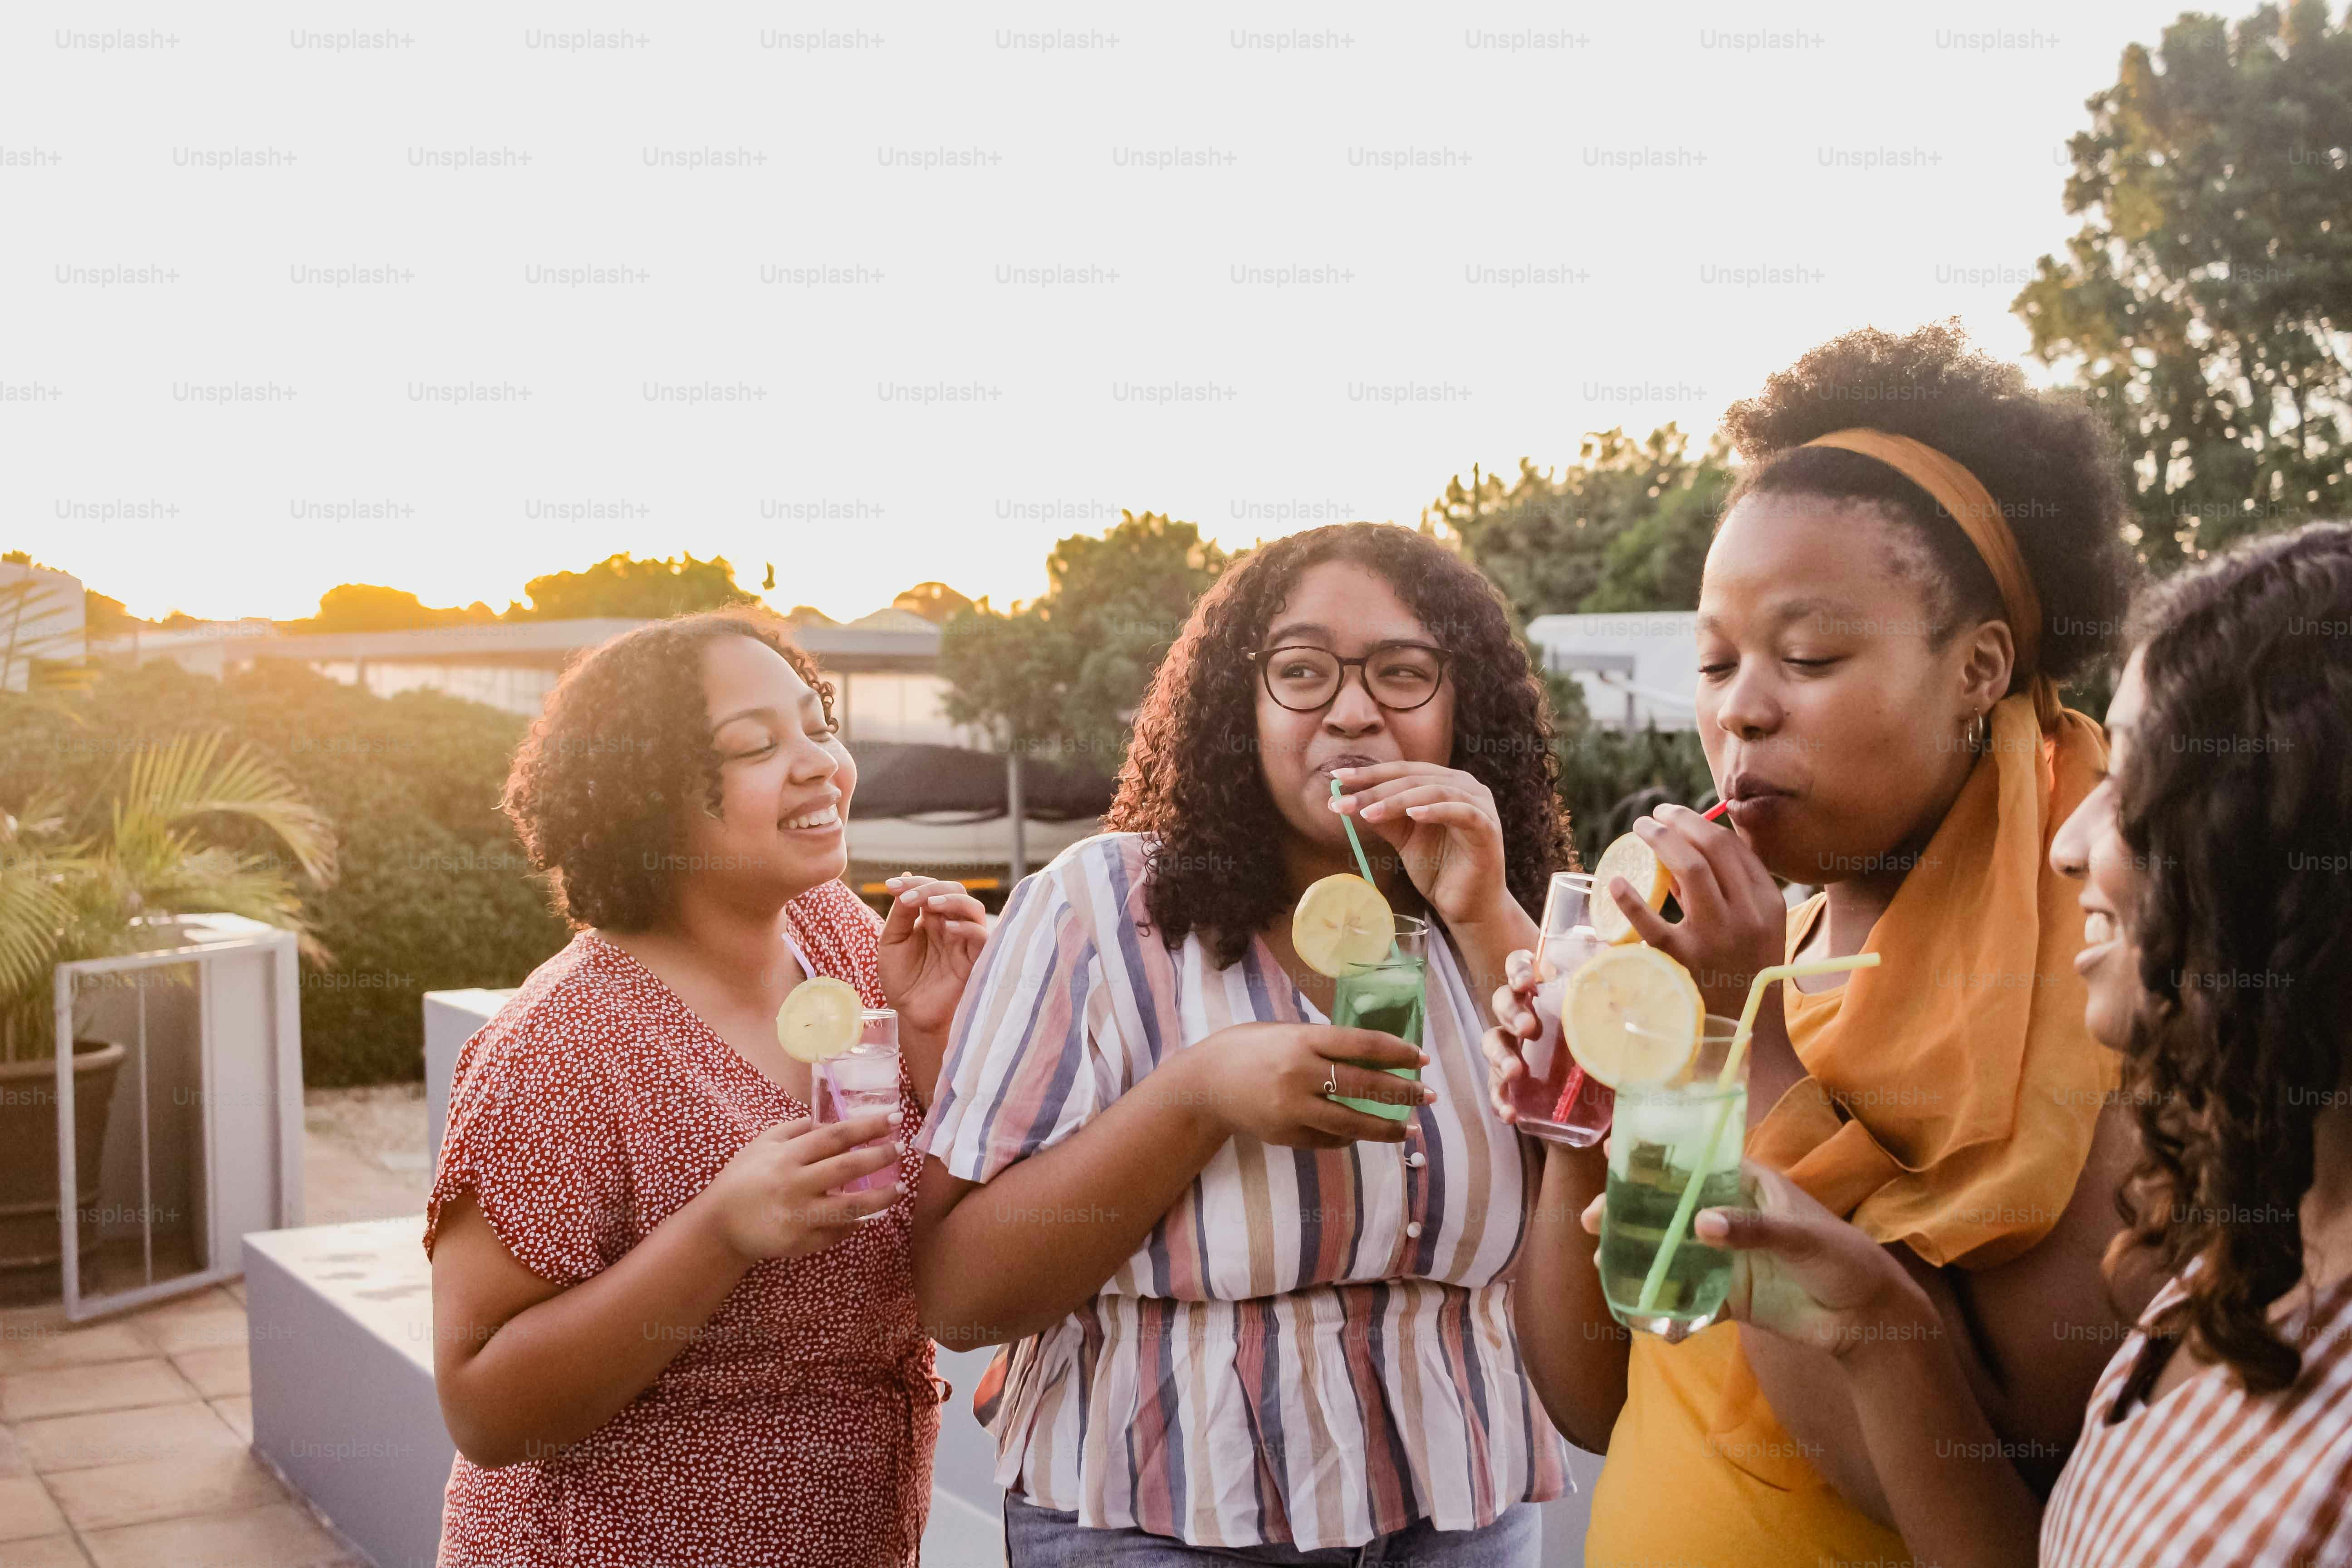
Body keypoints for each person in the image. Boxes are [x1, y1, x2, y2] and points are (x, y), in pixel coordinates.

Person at [1485, 322, 2149, 1565]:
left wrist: (1742, 1044)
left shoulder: (2091, 998)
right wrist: (1580, 1106)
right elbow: (1594, 1396)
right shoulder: (1733, 952)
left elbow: (1931, 1486)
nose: (1742, 706)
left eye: (1810, 656)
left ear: (1977, 669)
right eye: (1718, 662)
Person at [1653, 522, 2352, 1567]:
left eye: (2141, 782)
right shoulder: (2247, 1258)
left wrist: (1730, 1043)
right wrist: (1878, 1328)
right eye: (1713, 662)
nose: (2073, 842)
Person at [911, 522, 1574, 1564]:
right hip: (1157, 1516)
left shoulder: (1500, 915)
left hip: (1464, 1514)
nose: (1353, 710)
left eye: (1404, 674)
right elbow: (959, 1295)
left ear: (1463, 706)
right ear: (1242, 706)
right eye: (1303, 671)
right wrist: (1197, 1095)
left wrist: (1488, 914)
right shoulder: (1098, 905)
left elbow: (1602, 1167)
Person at [425, 609, 990, 1568]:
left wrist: (934, 1037)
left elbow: (929, 1236)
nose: (818, 761)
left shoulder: (841, 938)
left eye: (820, 725)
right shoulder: (560, 1047)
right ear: (646, 797)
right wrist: (718, 1232)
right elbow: (481, 1406)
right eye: (755, 744)